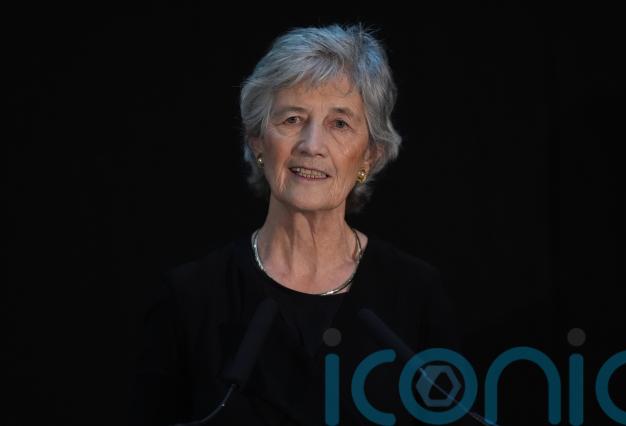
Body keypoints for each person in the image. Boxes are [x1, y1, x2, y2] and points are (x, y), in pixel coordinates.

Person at [129, 24, 460, 426]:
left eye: (340, 124)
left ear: (369, 156)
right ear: (257, 140)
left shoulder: (416, 295)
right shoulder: (190, 298)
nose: (311, 145)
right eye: (292, 119)